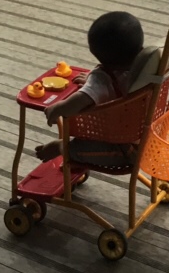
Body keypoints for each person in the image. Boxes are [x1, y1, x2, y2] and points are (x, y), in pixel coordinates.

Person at [35, 12, 144, 168]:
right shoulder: (149, 65)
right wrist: (94, 83)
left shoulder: (102, 80)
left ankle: (59, 147)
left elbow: (79, 101)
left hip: (124, 150)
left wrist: (57, 109)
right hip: (152, 133)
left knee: (76, 148)